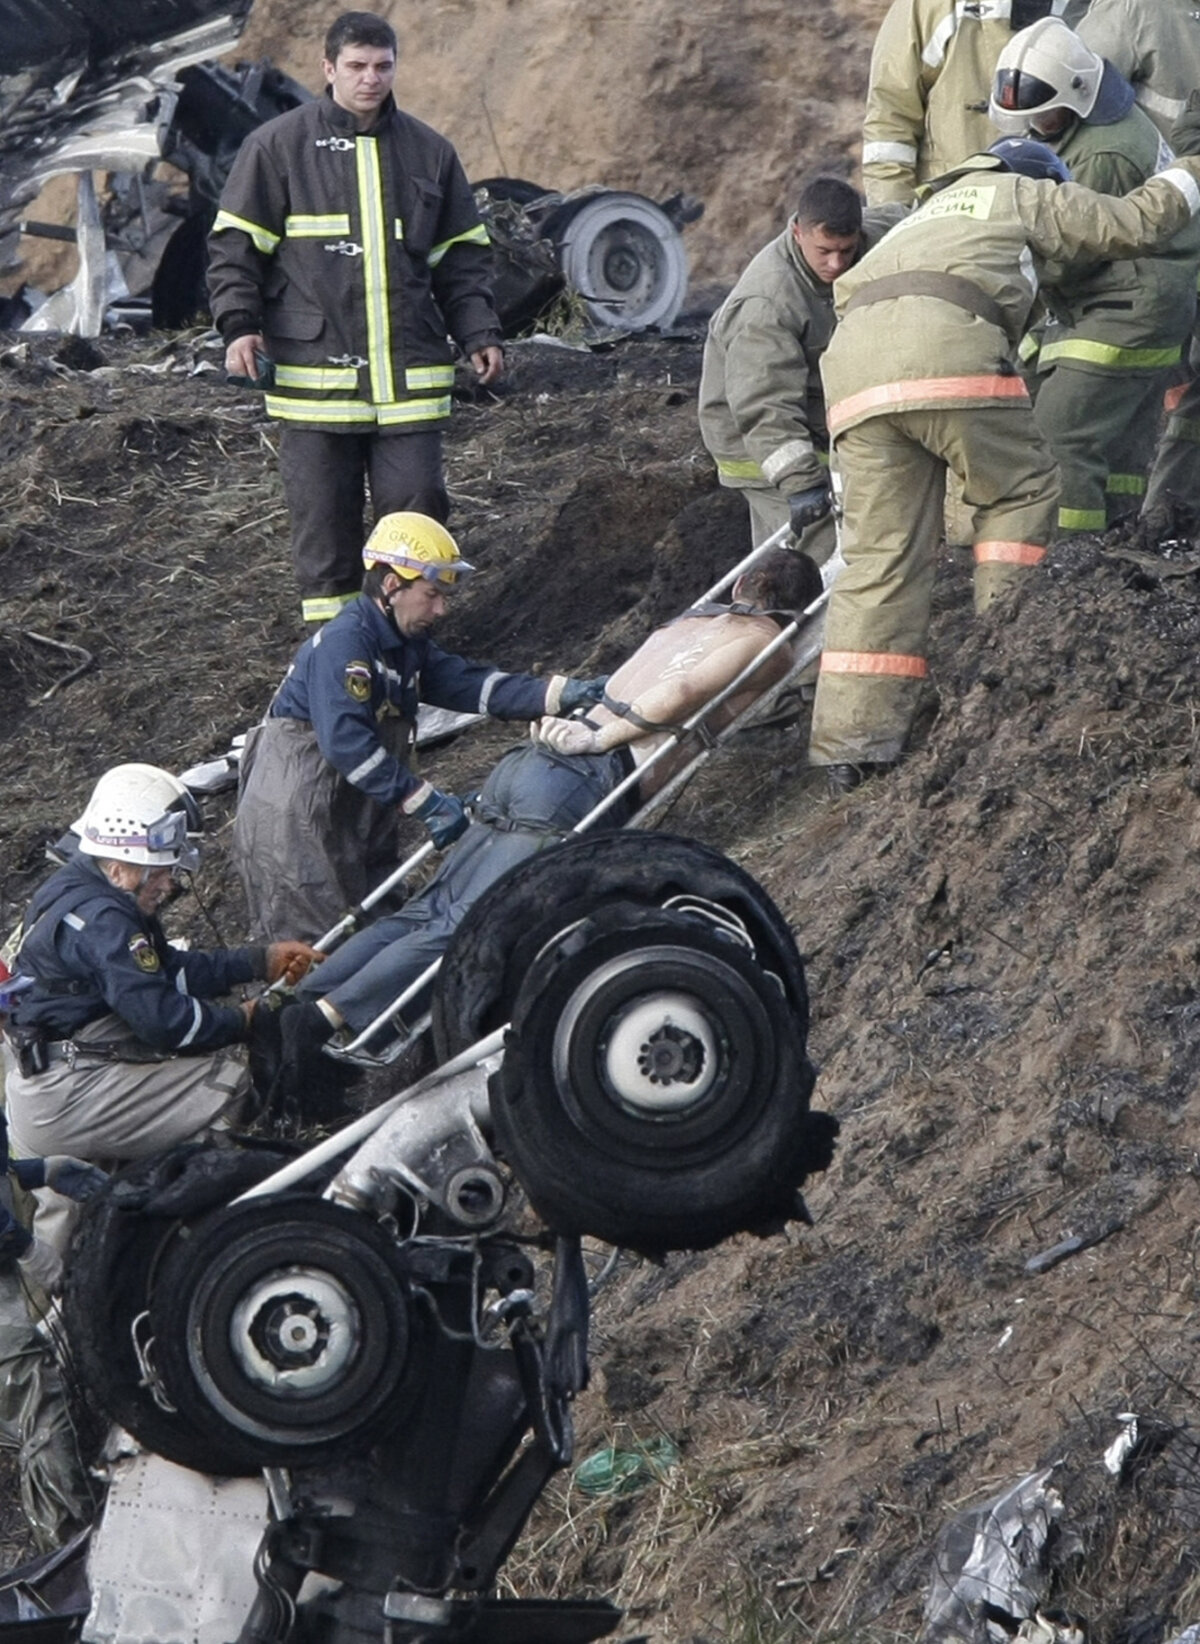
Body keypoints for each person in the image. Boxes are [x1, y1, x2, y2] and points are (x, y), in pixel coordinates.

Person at [278, 548, 823, 1079]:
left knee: (428, 908)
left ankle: (301, 1000)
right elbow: (680, 690)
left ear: (737, 588)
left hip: (526, 766)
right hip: (582, 775)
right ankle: (324, 1020)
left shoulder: (680, 627)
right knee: (469, 922)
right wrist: (604, 737)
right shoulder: (764, 641)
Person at [808, 138, 1200, 793]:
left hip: (851, 373)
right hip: (943, 345)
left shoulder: (924, 215)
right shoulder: (1023, 190)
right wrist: (1189, 171)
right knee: (1022, 491)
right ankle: (1007, 663)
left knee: (880, 557)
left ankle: (851, 747)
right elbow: (1132, 224)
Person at [207, 11, 504, 624]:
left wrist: (479, 332)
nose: (371, 79)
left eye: (383, 66)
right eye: (357, 67)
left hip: (409, 387)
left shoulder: (430, 151)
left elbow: (463, 261)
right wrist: (239, 325)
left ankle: (407, 653)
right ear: (328, 69)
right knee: (325, 541)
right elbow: (235, 248)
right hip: (314, 386)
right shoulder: (277, 146)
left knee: (416, 530)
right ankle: (335, 669)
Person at [232, 511, 606, 945]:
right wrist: (425, 801)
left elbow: (468, 683)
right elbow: (346, 743)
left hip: (351, 813)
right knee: (317, 945)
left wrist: (558, 694)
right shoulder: (345, 646)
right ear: (392, 585)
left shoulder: (403, 645)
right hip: (295, 823)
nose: (441, 609)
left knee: (380, 925)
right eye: (432, 595)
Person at [0, 763, 320, 1251]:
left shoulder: (75, 889)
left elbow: (167, 972)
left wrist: (259, 961)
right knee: (227, 1082)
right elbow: (165, 1022)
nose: (168, 882)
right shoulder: (107, 920)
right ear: (123, 862)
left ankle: (60, 1313)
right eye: (163, 868)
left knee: (63, 1252)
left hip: (43, 1090)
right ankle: (196, 1231)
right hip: (70, 1092)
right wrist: (243, 1021)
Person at [989, 18, 1200, 531]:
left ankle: (1070, 558)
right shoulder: (1089, 126)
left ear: (1079, 93)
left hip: (1129, 303)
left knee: (1061, 436)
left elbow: (1070, 254)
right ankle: (1121, 539)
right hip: (1136, 296)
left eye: (1046, 116)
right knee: (1119, 447)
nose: (1038, 127)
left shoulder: (1103, 153)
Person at [698, 177, 904, 562]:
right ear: (797, 232)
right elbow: (763, 406)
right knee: (815, 551)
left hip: (815, 422)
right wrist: (800, 484)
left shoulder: (873, 236)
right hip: (759, 443)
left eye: (847, 250)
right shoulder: (768, 305)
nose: (837, 264)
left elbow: (907, 217)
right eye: (824, 251)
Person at [1073, 5, 1200, 525]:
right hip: (1151, 239)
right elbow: (1070, 102)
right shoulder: (1134, 9)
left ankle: (1164, 514)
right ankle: (1156, 517)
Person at [860, 0, 1084, 207]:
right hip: (950, 212)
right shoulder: (929, 8)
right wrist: (894, 220)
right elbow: (890, 126)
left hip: (1053, 209)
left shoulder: (1086, 8)